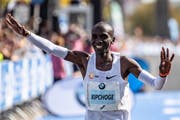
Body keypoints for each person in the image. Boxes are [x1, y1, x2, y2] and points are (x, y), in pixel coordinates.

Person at [4, 14, 174, 120]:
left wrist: (163, 73)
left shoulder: (124, 64)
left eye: (104, 36)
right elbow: (53, 49)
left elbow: (156, 84)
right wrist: (27, 34)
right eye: (94, 36)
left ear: (113, 41)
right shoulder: (84, 60)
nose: (98, 40)